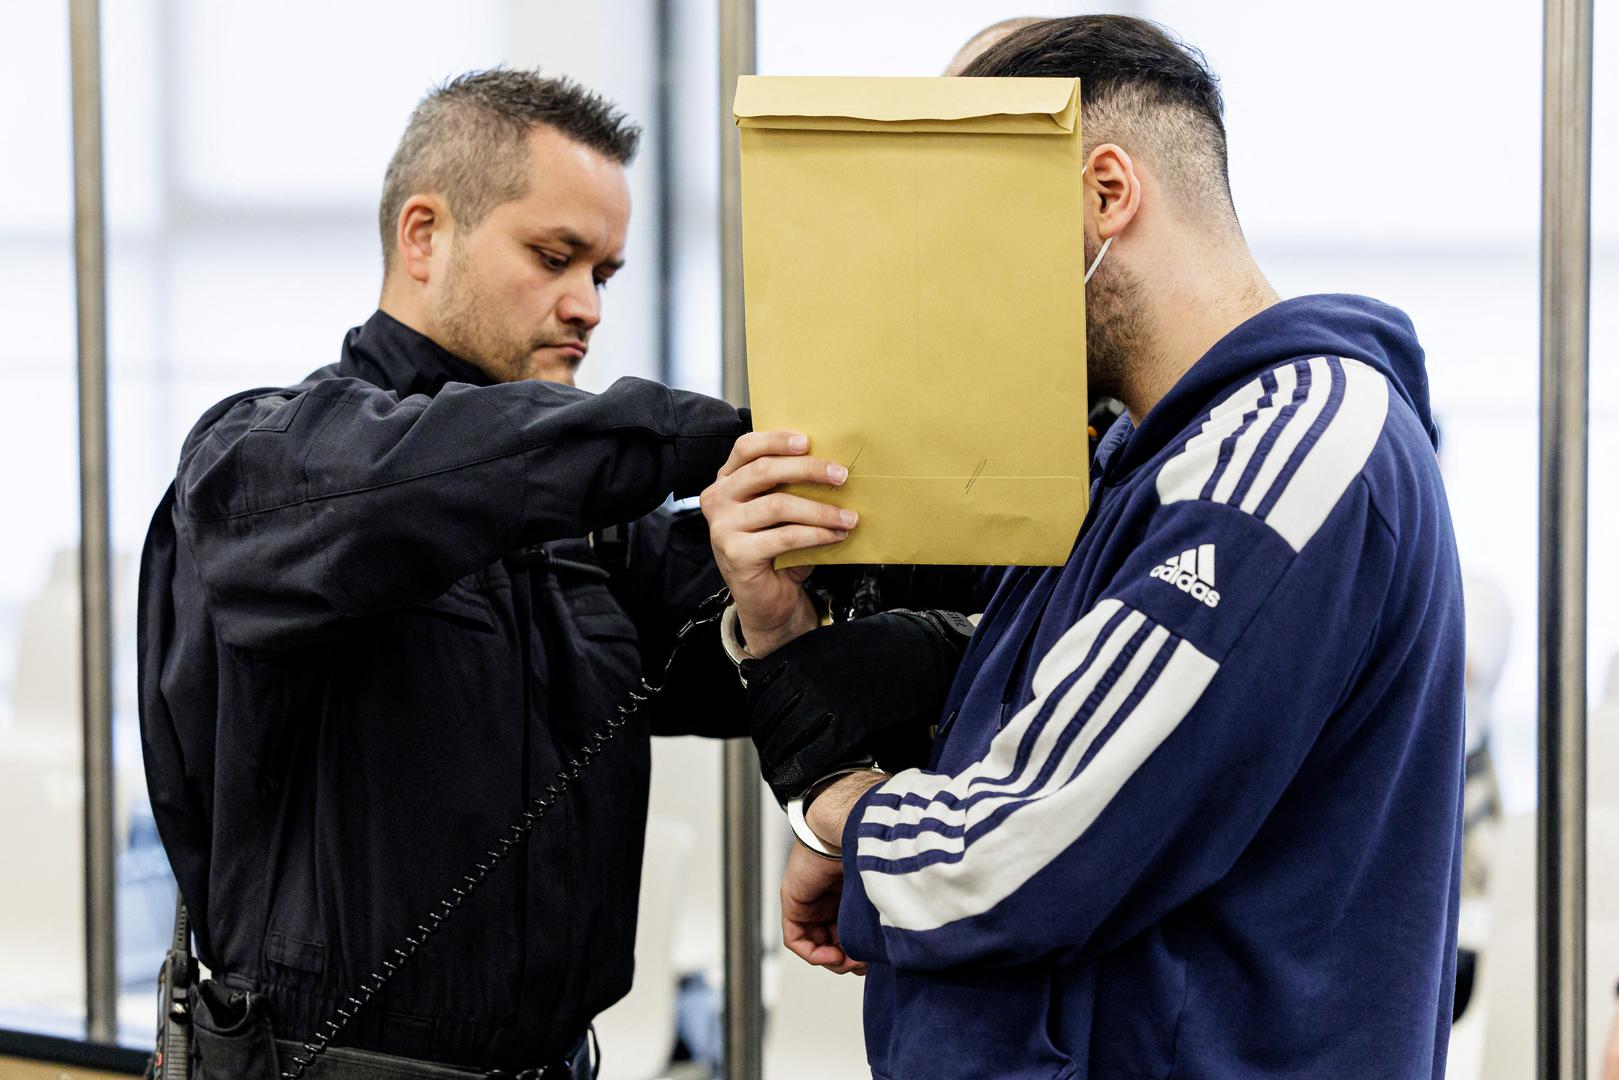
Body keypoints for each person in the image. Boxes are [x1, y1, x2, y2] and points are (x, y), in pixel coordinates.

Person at [703, 15, 1465, 1079]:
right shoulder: (1130, 466)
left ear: (1104, 194)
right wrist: (785, 630)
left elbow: (1018, 854)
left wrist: (843, 816)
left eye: (972, 225)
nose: (952, 287)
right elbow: (1032, 756)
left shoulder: (1285, 442)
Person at [138, 70, 750, 1079]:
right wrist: (706, 437)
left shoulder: (589, 526)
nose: (586, 305)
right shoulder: (261, 460)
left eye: (604, 273)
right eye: (555, 257)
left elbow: (736, 638)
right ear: (423, 236)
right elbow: (423, 479)